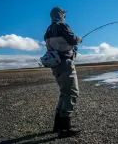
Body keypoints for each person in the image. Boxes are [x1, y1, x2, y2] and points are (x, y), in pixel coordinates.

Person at [44, 7, 83, 138]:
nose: (64, 17)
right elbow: (72, 40)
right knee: (71, 93)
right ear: (60, 15)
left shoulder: (48, 30)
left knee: (64, 93)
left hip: (56, 65)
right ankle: (65, 129)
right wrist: (79, 39)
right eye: (63, 14)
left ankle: (58, 126)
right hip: (65, 64)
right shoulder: (63, 26)